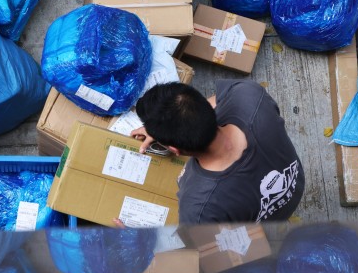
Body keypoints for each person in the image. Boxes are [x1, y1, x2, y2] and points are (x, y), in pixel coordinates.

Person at [129, 80, 304, 223]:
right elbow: (218, 99)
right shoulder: (248, 95)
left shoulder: (199, 208)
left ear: (175, 149)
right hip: (295, 185)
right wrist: (168, 128)